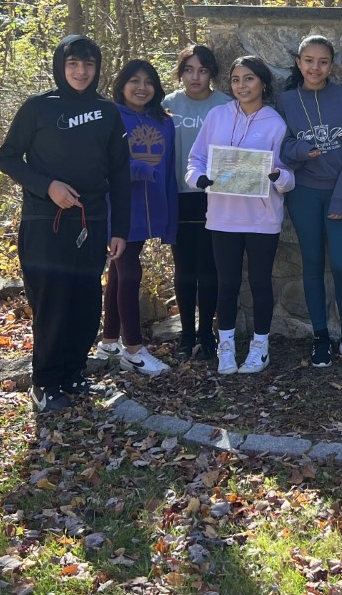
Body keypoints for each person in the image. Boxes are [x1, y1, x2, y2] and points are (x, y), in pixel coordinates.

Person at [0, 35, 129, 413]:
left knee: (87, 301)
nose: (81, 71)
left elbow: (120, 174)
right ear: (61, 66)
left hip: (93, 222)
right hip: (45, 222)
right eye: (73, 63)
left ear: (97, 68)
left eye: (88, 64)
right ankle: (45, 382)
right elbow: (7, 157)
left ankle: (73, 373)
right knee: (52, 303)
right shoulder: (38, 108)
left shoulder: (108, 112)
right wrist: (47, 186)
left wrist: (120, 228)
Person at [186, 55, 294, 375]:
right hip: (222, 216)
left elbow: (289, 177)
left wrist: (277, 176)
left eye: (249, 79)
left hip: (262, 218)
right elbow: (196, 160)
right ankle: (227, 347)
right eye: (235, 79)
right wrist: (199, 179)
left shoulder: (276, 123)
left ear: (262, 83)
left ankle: (260, 347)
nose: (241, 85)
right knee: (227, 283)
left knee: (260, 282)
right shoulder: (217, 116)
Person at [275, 35, 342, 367]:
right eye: (309, 60)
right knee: (312, 263)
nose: (316, 67)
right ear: (299, 63)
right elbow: (279, 150)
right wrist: (301, 150)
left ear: (332, 66)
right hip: (303, 194)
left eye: (323, 61)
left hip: (339, 193)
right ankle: (320, 337)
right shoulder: (285, 102)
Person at [95, 60, 177, 376]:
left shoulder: (164, 121)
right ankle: (134, 350)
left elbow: (168, 170)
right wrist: (136, 169)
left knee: (119, 272)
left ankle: (109, 341)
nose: (141, 87)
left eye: (148, 82)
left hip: (149, 209)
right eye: (134, 81)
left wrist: (169, 216)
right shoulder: (109, 117)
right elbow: (101, 164)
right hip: (117, 209)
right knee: (129, 273)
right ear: (122, 84)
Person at [163, 44, 232, 360]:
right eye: (189, 70)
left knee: (209, 269)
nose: (195, 77)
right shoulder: (167, 105)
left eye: (202, 71)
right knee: (184, 269)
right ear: (180, 73)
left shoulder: (225, 105)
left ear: (212, 74)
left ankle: (207, 335)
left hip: (214, 197)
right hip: (178, 196)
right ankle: (186, 337)